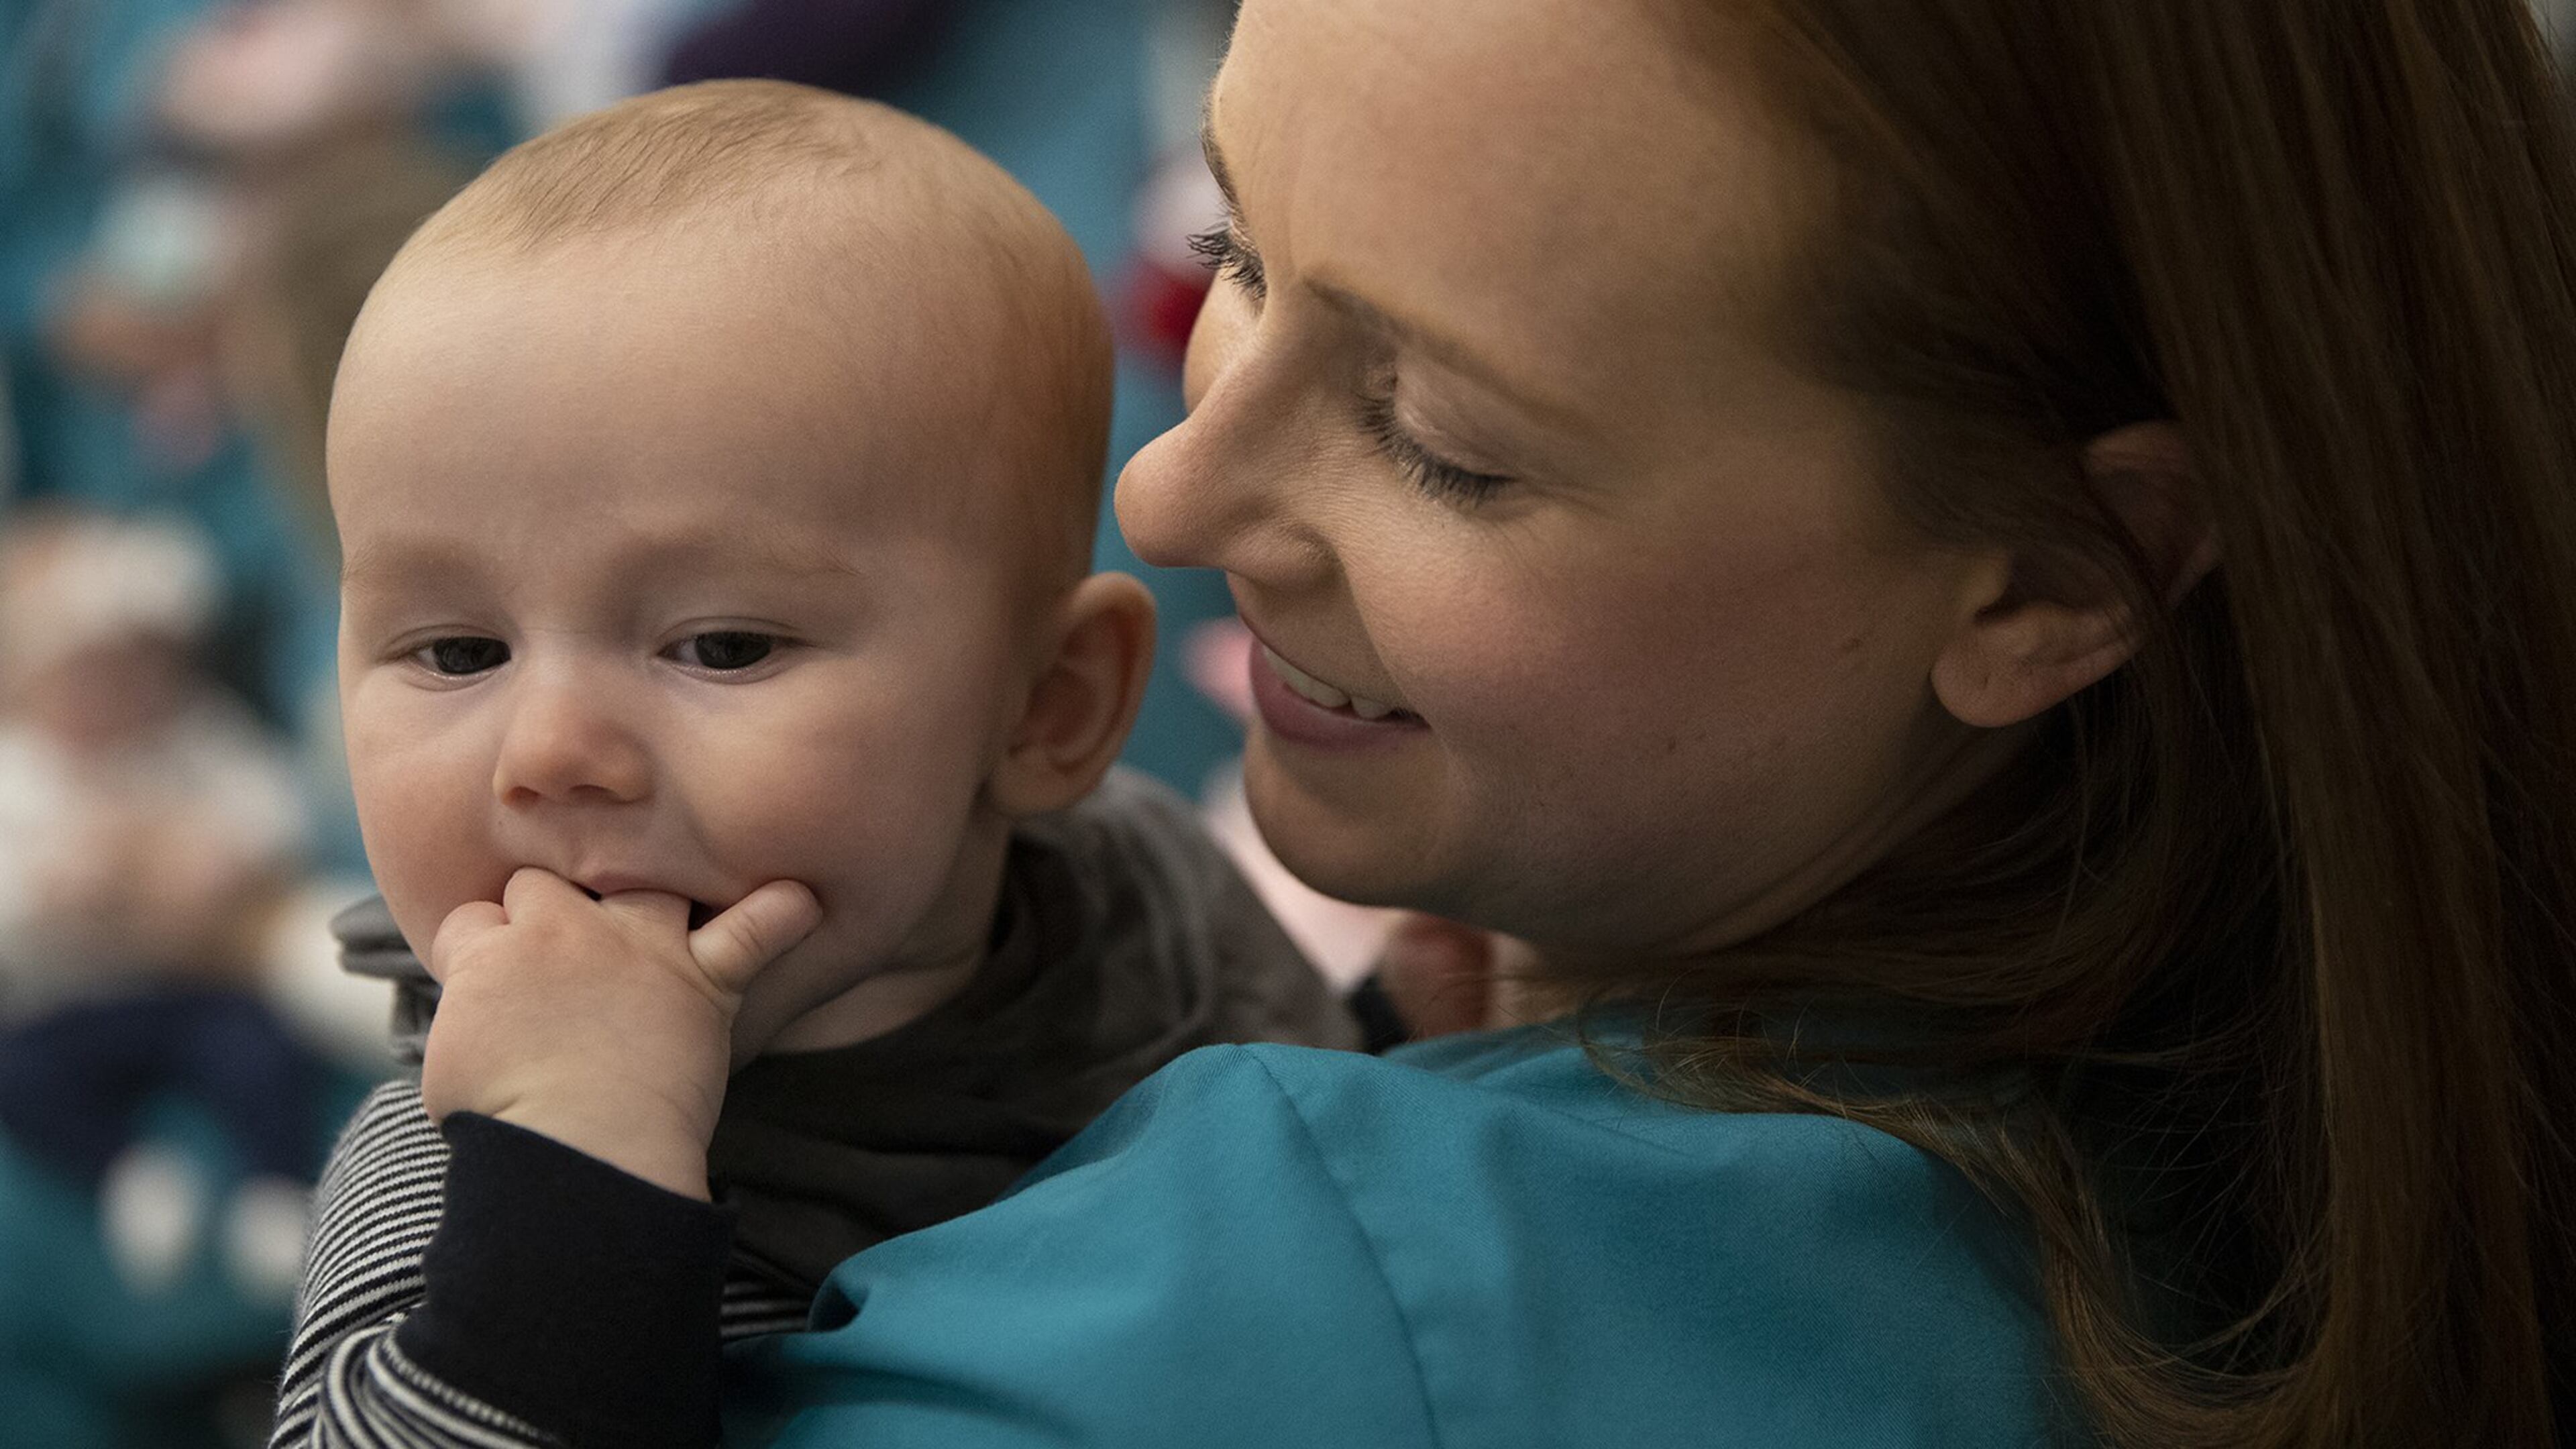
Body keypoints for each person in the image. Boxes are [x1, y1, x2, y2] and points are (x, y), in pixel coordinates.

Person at [297, 1, 2576, 1446]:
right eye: (1239, 258)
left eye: (1451, 440)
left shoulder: (1280, 1294)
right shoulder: (2333, 1104)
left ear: (2056, 580)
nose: (1171, 486)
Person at [265, 80, 1358, 1448]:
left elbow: (1366, 1210)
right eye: (455, 652)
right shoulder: (457, 1171)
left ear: (1048, 710)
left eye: (720, 646)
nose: (551, 755)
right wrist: (575, 1175)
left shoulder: (1149, 899)